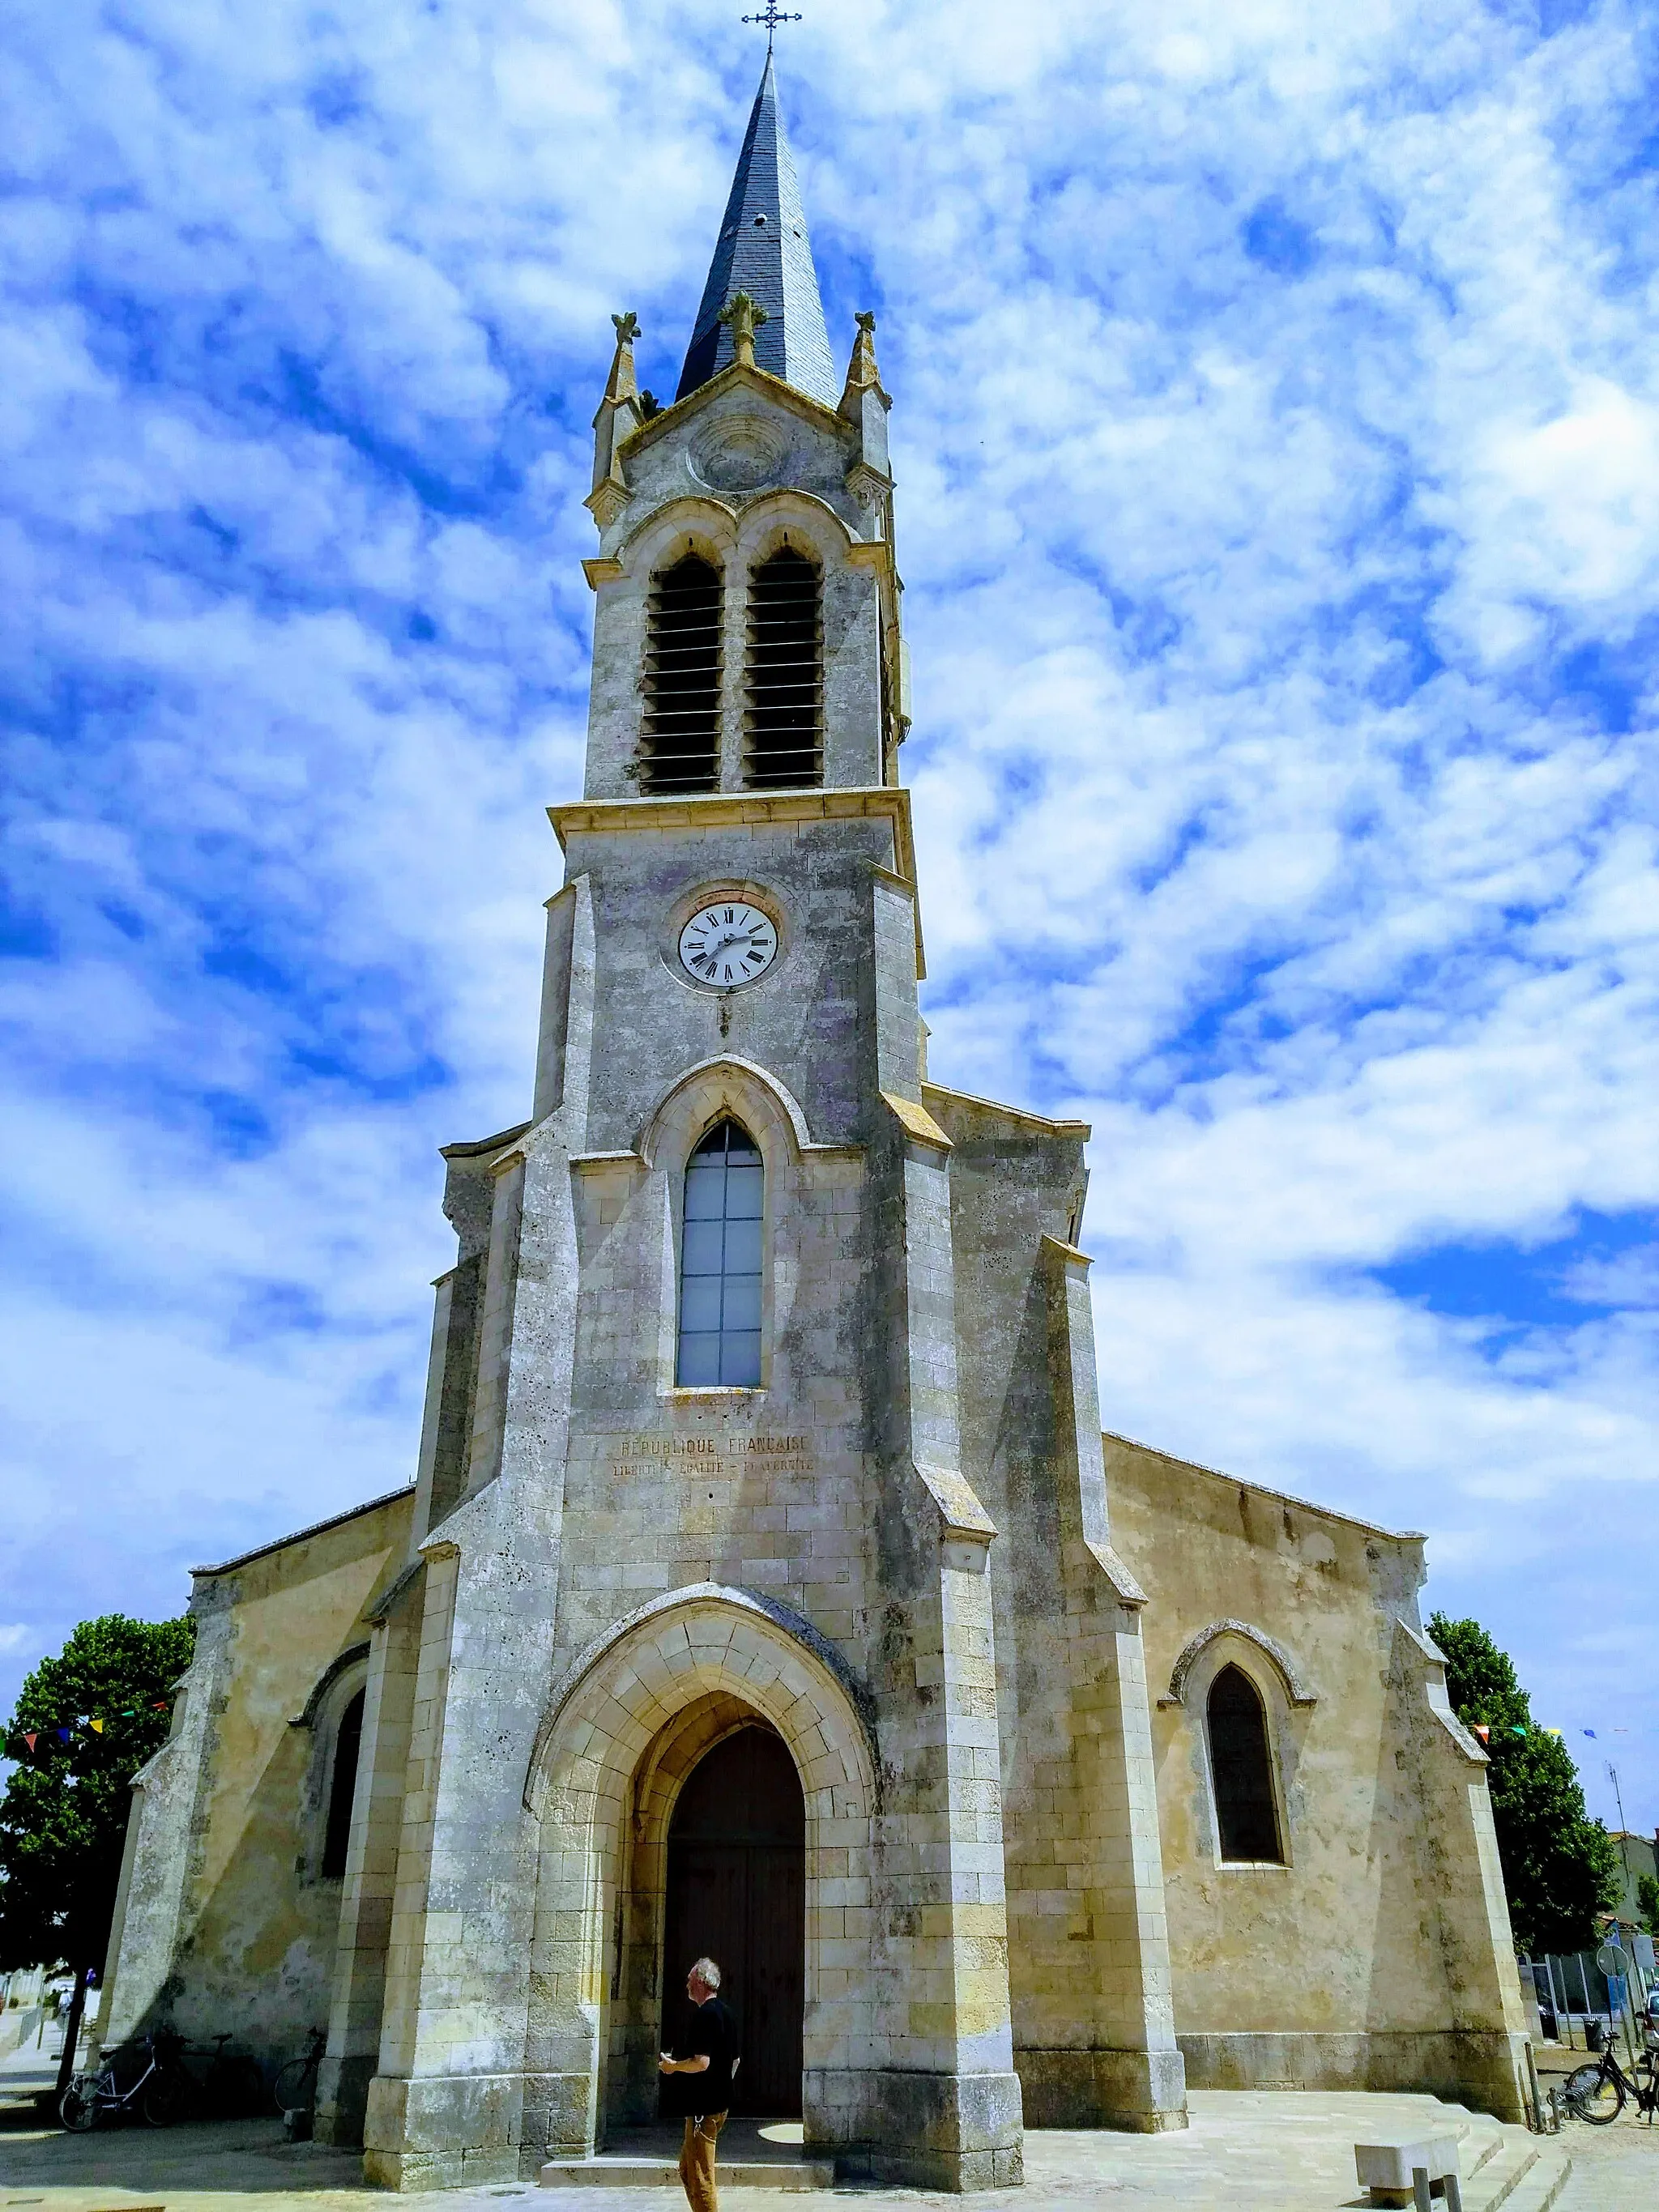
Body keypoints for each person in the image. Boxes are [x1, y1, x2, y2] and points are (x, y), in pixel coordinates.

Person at [659, 1955, 738, 2212]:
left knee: (700, 2176)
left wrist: (673, 2067)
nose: (687, 1984)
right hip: (716, 2105)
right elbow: (735, 2060)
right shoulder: (727, 2013)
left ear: (701, 1982)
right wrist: (723, 2087)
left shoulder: (704, 2015)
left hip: (704, 2110)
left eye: (690, 1979)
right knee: (687, 2169)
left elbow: (701, 2063)